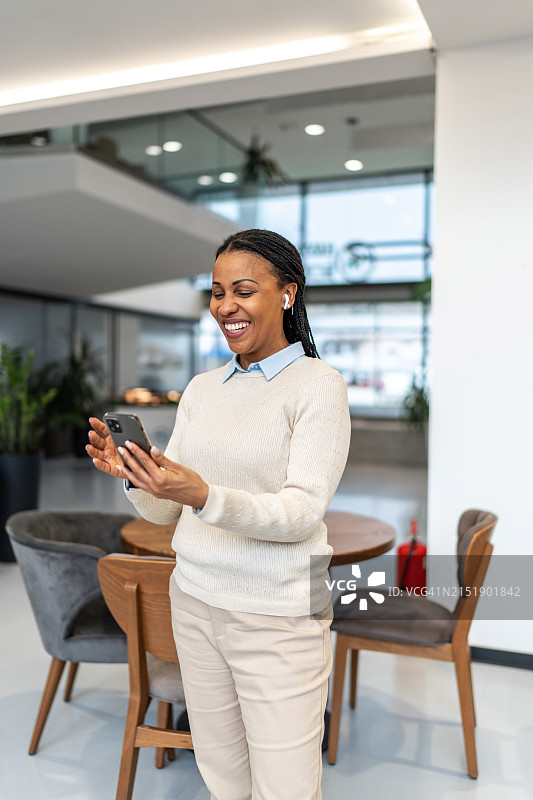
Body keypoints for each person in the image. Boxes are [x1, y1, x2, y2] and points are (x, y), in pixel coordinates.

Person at [87, 228, 351, 800]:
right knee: (222, 775)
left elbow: (301, 513)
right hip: (195, 601)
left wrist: (206, 494)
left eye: (244, 291)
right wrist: (136, 474)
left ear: (287, 293)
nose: (226, 306)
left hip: (278, 615)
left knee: (285, 788)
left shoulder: (318, 385)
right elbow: (166, 510)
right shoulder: (203, 389)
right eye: (217, 292)